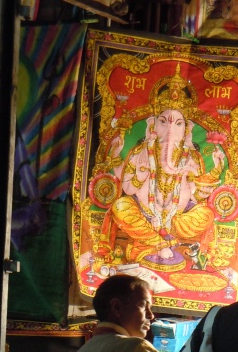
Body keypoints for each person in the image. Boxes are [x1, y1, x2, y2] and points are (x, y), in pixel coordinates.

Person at [97, 65, 226, 269]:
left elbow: (197, 197)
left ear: (186, 129)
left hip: (176, 219)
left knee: (206, 214)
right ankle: (160, 243)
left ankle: (152, 242)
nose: (170, 129)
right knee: (120, 207)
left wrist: (212, 170)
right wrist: (140, 175)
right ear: (154, 124)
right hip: (145, 215)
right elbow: (128, 189)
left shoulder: (192, 157)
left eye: (178, 124)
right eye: (164, 122)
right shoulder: (141, 151)